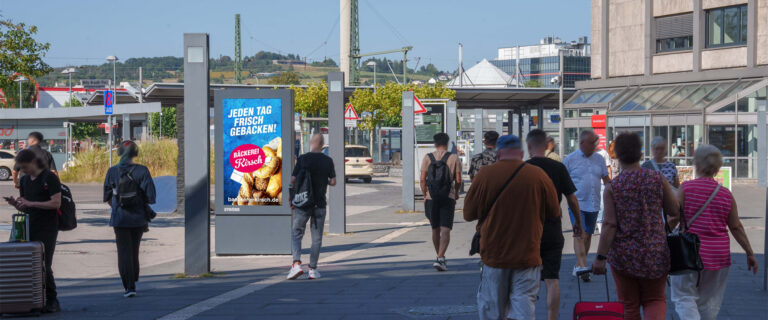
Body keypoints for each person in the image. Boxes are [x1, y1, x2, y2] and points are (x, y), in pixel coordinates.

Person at [464, 134, 560, 320]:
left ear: (499, 153)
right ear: (522, 153)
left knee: (493, 309)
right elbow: (554, 212)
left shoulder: (485, 175)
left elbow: (468, 214)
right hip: (528, 254)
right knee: (524, 305)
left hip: (494, 254)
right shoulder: (537, 175)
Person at [590, 132, 679, 320]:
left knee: (628, 305)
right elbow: (674, 211)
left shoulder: (613, 187)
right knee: (655, 299)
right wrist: (662, 232)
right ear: (640, 154)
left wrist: (600, 257)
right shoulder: (657, 179)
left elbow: (609, 225)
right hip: (655, 251)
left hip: (624, 256)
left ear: (618, 156)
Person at [670, 145, 758, 320]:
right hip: (718, 256)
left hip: (688, 253)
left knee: (684, 296)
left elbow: (674, 218)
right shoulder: (726, 194)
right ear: (717, 168)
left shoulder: (686, 189)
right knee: (709, 301)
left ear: (698, 165)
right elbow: (736, 227)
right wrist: (750, 253)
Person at [525, 129, 582, 320]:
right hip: (552, 228)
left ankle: (528, 315)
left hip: (528, 232)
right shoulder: (558, 168)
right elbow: (572, 199)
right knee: (552, 279)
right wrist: (577, 223)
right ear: (547, 145)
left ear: (529, 146)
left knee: (527, 280)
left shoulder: (523, 169)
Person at [5, 149, 62, 312]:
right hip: (29, 226)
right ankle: (35, 300)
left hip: (48, 227)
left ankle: (52, 299)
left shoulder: (49, 177)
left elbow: (56, 203)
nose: (22, 171)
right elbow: (25, 206)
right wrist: (17, 204)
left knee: (45, 263)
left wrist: (31, 204)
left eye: (23, 167)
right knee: (31, 265)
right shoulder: (24, 181)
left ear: (32, 163)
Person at [103, 141, 156, 297]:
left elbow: (106, 196)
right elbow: (151, 196)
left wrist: (117, 206)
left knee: (124, 252)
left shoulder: (112, 171)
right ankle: (134, 277)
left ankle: (129, 286)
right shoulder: (142, 171)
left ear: (119, 152)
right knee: (135, 249)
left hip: (120, 218)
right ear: (135, 153)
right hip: (138, 217)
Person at [563, 130, 610, 281]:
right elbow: (562, 181)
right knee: (579, 233)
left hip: (594, 202)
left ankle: (579, 265)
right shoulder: (570, 160)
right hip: (577, 203)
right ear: (582, 143)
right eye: (592, 143)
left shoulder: (599, 159)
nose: (595, 146)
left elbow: (606, 179)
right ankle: (583, 266)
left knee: (588, 235)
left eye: (596, 142)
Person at [288, 133, 336, 280]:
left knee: (297, 233)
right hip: (319, 204)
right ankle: (313, 269)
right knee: (316, 238)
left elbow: (292, 180)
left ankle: (296, 264)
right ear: (322, 144)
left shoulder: (303, 159)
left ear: (311, 143)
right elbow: (333, 181)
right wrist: (324, 182)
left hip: (303, 203)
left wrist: (291, 197)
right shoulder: (328, 161)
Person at [420, 132, 462, 271]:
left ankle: (440, 257)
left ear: (435, 143)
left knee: (435, 228)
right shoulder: (454, 157)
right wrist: (455, 193)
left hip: (431, 197)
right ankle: (440, 257)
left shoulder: (427, 157)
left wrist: (425, 194)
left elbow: (422, 179)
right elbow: (458, 180)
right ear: (447, 143)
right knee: (446, 228)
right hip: (447, 197)